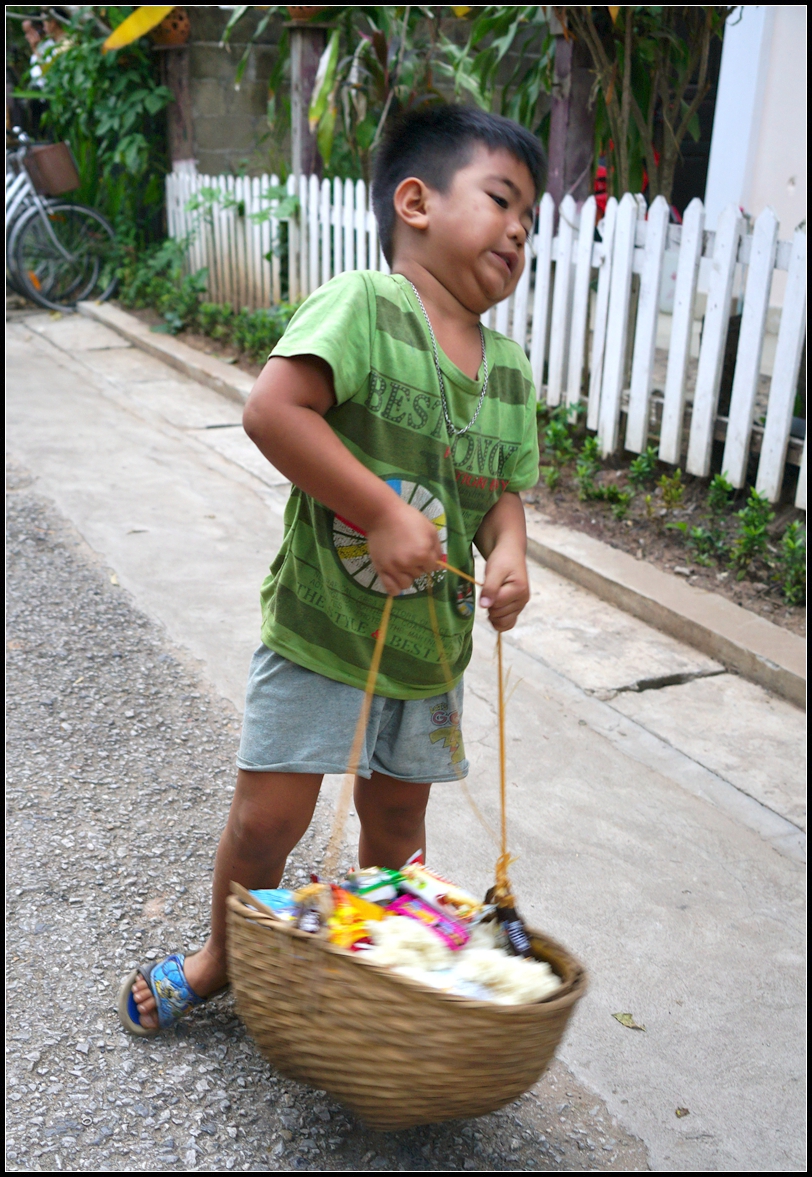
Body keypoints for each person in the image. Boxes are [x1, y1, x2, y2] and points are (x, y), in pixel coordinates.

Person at [119, 104, 545, 1035]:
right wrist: (383, 510)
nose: (519, 229)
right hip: (322, 630)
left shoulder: (510, 372)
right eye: (503, 200)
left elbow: (500, 495)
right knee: (268, 819)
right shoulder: (365, 305)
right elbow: (275, 411)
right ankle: (226, 954)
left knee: (398, 834)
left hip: (428, 656)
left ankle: (376, 976)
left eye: (531, 219)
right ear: (416, 201)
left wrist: (508, 554)